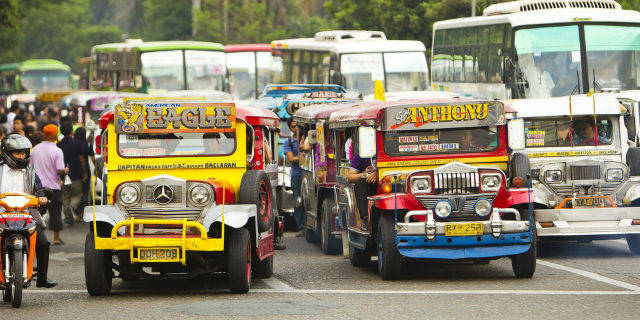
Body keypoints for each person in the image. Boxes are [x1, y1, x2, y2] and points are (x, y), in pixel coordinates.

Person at [0, 134, 57, 287]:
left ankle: (42, 279)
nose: (21, 156)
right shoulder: (0, 170)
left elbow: (38, 189)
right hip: (1, 215)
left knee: (43, 244)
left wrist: (42, 197)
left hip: (26, 216)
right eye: (17, 153)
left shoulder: (30, 172)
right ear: (6, 153)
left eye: (24, 152)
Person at [31, 124, 66, 245]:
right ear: (55, 135)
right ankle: (56, 238)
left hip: (38, 188)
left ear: (44, 134)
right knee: (55, 211)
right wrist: (65, 172)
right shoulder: (57, 150)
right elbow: (60, 170)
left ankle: (37, 236)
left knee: (38, 212)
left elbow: (31, 168)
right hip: (53, 187)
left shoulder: (35, 150)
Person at [58, 122, 88, 225]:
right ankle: (72, 207)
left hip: (63, 175)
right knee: (77, 195)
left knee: (65, 197)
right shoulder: (77, 144)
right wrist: (84, 173)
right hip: (76, 174)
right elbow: (82, 160)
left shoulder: (59, 145)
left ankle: (68, 217)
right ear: (71, 131)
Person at [347, 136, 377, 231]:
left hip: (388, 185)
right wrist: (365, 174)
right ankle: (365, 219)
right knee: (360, 183)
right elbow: (350, 178)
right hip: (370, 186)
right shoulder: (360, 156)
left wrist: (377, 174)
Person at [282, 118, 304, 237]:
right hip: (296, 175)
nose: (296, 128)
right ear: (290, 128)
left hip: (308, 173)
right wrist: (302, 157)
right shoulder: (288, 142)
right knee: (297, 201)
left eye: (298, 126)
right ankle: (301, 227)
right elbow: (291, 159)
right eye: (294, 126)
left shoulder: (304, 139)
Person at [74, 127, 94, 217]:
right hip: (86, 170)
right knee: (85, 193)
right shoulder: (88, 145)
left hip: (75, 170)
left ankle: (76, 211)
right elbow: (93, 159)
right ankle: (81, 212)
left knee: (76, 193)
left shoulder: (73, 144)